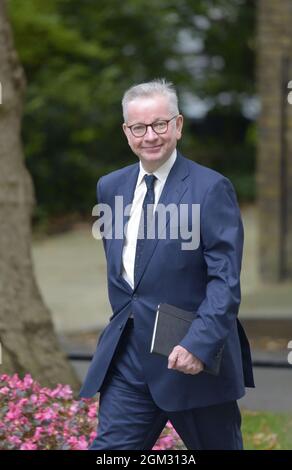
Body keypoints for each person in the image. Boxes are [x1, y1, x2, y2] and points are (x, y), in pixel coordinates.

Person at [79, 78, 254, 450]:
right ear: (127, 132)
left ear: (178, 125)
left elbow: (225, 280)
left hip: (191, 359)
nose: (150, 136)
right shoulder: (110, 187)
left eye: (160, 123)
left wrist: (199, 344)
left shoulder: (211, 189)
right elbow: (129, 277)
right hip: (128, 360)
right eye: (139, 127)